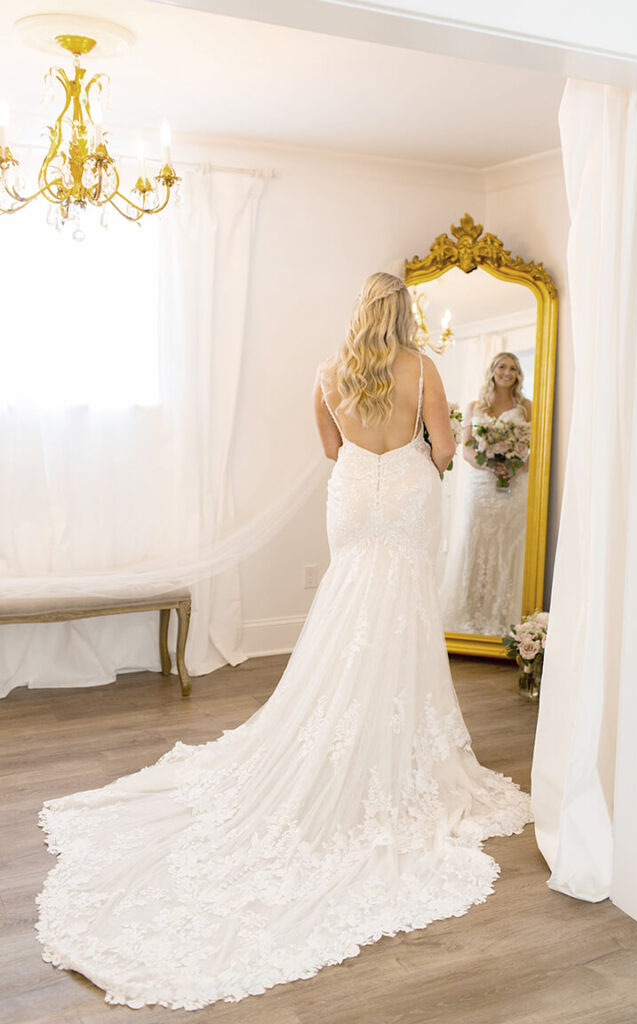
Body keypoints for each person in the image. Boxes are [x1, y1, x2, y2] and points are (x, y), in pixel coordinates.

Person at [36, 274, 532, 1012]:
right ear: (400, 316)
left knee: (349, 598)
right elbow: (442, 452)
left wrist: (368, 459)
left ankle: (341, 718)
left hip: (353, 493)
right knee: (398, 607)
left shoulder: (327, 373)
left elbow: (330, 449)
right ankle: (387, 733)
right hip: (402, 488)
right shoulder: (422, 366)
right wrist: (413, 454)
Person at [443, 351, 531, 635]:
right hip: (481, 486)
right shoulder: (475, 406)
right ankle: (470, 617)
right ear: (492, 371)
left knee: (508, 546)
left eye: (513, 368)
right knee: (476, 543)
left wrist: (516, 468)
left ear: (518, 375)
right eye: (502, 367)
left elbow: (538, 446)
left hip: (515, 486)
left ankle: (503, 617)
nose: (507, 372)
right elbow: (467, 448)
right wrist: (490, 465)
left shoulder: (527, 406)